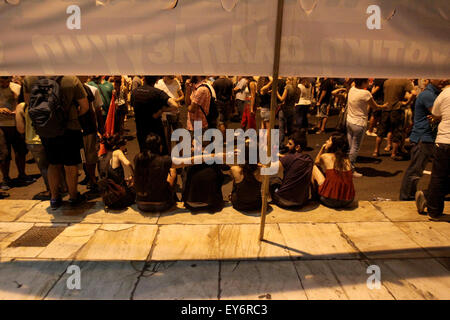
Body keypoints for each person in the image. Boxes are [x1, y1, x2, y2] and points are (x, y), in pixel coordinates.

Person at [23, 76, 89, 209]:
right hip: (70, 127)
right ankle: (73, 197)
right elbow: (85, 106)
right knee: (70, 164)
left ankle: (54, 198)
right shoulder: (71, 80)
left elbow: (29, 104)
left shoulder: (29, 79)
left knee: (53, 163)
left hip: (46, 129)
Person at [400, 80, 443, 200]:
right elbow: (439, 113)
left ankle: (409, 195)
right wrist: (439, 116)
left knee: (417, 170)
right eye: (439, 78)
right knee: (415, 171)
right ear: (430, 79)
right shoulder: (428, 95)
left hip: (428, 137)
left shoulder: (437, 94)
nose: (443, 80)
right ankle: (406, 197)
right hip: (423, 137)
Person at [415, 81, 450, 219]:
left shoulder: (444, 94)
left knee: (438, 177)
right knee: (440, 178)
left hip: (443, 141)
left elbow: (435, 112)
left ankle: (434, 210)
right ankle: (428, 197)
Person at [346, 78, 387, 177]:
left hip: (349, 121)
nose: (370, 83)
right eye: (368, 81)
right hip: (359, 123)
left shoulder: (352, 89)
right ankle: (350, 169)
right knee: (355, 148)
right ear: (363, 82)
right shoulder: (365, 93)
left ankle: (346, 166)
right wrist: (384, 106)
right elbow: (375, 106)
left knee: (350, 146)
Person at [131, 76, 179, 154]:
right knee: (160, 154)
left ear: (144, 79)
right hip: (156, 130)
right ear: (156, 81)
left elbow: (133, 107)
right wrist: (162, 110)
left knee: (145, 155)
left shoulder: (134, 92)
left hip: (141, 130)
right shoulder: (158, 93)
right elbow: (175, 106)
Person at [0, 76, 33, 190]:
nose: (4, 83)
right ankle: (6, 178)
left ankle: (22, 174)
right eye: (2, 80)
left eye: (7, 80)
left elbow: (26, 103)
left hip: (17, 123)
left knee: (21, 151)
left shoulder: (17, 88)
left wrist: (18, 108)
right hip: (1, 125)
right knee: (4, 153)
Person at [373, 78, 416, 160]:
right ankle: (393, 153)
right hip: (397, 109)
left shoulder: (387, 81)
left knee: (381, 131)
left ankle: (376, 151)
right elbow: (414, 93)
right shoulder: (406, 81)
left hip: (385, 108)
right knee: (397, 131)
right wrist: (407, 102)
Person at [269, 130, 313, 208]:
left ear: (297, 147)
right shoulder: (309, 159)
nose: (287, 145)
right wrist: (282, 156)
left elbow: (271, 168)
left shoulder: (289, 158)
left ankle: (270, 199)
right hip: (302, 201)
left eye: (290, 144)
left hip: (284, 201)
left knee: (273, 181)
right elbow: (292, 159)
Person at [312, 133, 355, 208]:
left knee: (314, 167)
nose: (326, 141)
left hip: (330, 201)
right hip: (348, 200)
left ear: (334, 145)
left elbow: (316, 162)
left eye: (329, 140)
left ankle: (314, 197)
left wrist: (322, 148)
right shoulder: (346, 159)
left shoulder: (326, 157)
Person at [78, 76, 105, 192]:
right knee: (83, 156)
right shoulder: (71, 89)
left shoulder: (91, 89)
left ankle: (92, 177)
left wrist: (100, 128)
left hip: (88, 128)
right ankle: (89, 176)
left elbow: (97, 111)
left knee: (90, 155)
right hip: (78, 128)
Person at [98, 134, 135, 209]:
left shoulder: (102, 156)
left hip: (108, 199)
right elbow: (128, 163)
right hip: (120, 198)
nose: (125, 148)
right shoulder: (117, 152)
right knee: (134, 188)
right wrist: (133, 176)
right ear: (120, 145)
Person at [229, 141, 262, 212]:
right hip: (256, 205)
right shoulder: (261, 170)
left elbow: (244, 167)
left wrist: (240, 157)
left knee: (236, 183)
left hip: (240, 205)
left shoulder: (235, 169)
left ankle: (231, 195)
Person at [277, 77, 297, 152]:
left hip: (284, 110)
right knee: (290, 129)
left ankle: (281, 146)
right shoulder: (297, 88)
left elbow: (282, 99)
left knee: (281, 129)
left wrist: (276, 92)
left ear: (291, 80)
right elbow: (297, 100)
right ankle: (291, 145)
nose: (286, 80)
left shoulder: (288, 87)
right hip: (292, 109)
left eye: (288, 79)